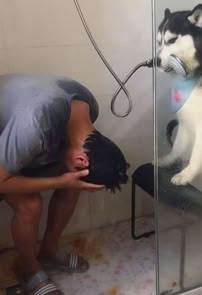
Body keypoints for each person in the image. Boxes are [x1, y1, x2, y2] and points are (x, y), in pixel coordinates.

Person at [0, 74, 129, 295]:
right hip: (7, 129)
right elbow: (1, 182)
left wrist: (66, 172)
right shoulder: (36, 123)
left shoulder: (89, 109)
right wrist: (59, 180)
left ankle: (48, 251)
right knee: (30, 205)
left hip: (20, 122)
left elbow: (62, 146)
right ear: (83, 159)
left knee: (72, 183)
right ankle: (29, 270)